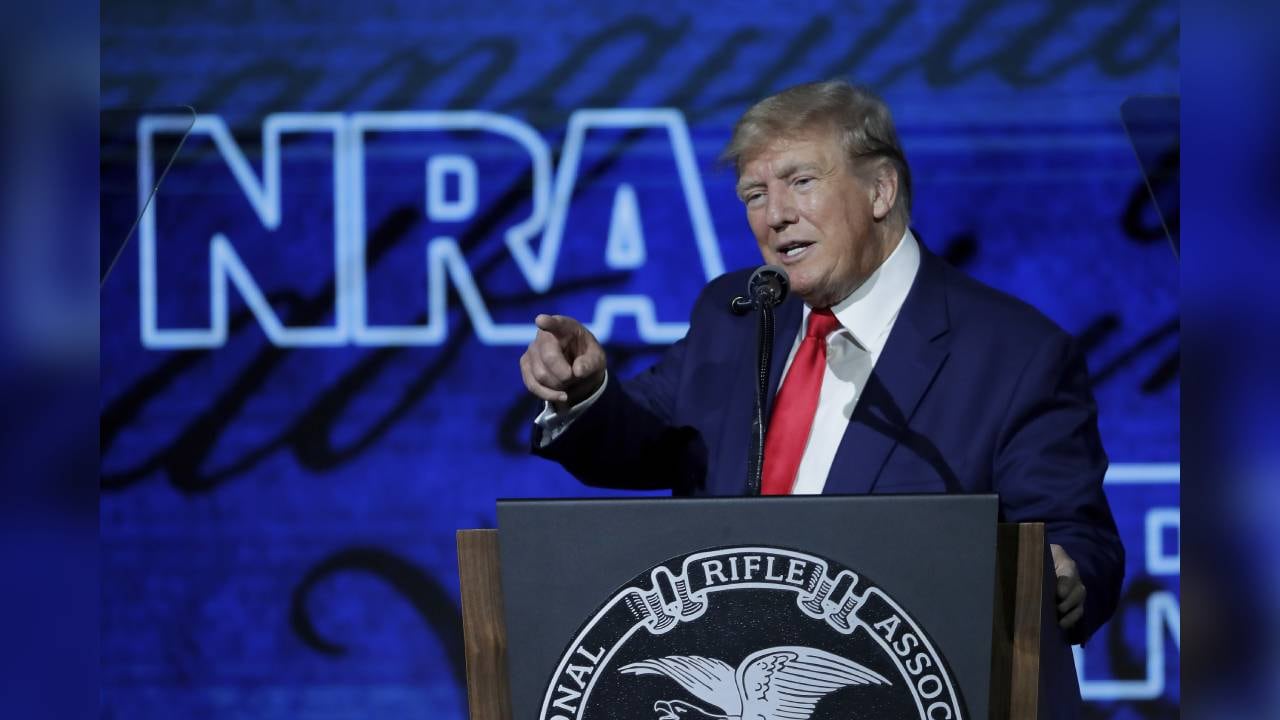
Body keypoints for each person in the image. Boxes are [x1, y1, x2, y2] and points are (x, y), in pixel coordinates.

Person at [519, 80, 1123, 649]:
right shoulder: (735, 315)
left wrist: (1064, 579)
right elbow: (641, 440)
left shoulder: (1014, 354)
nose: (774, 215)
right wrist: (585, 393)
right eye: (754, 195)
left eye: (800, 181)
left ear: (880, 190)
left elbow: (1076, 539)